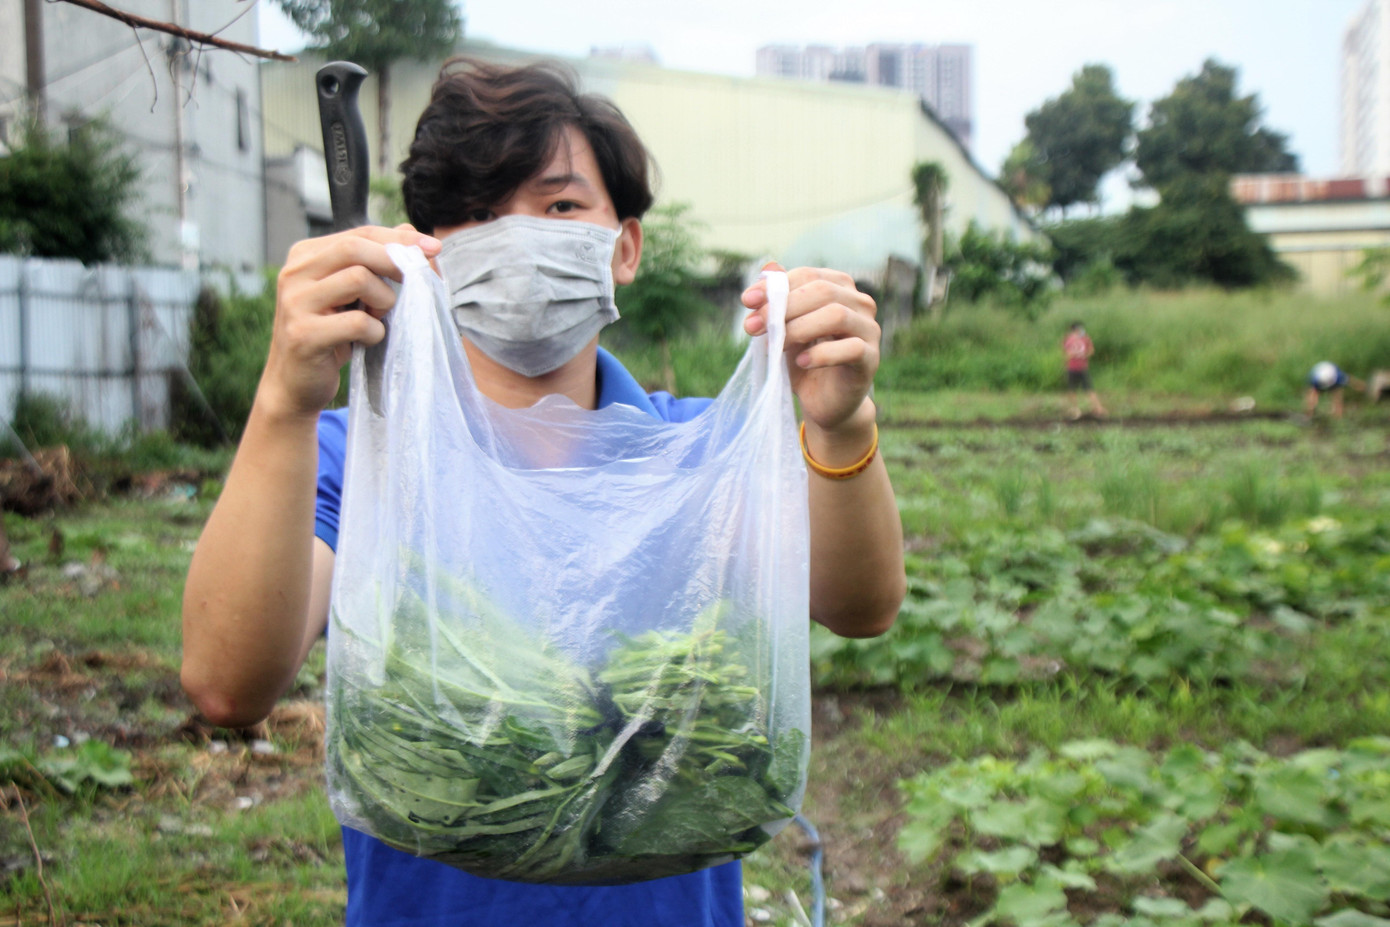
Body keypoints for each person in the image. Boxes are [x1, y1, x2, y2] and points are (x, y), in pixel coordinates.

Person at [180, 58, 906, 927]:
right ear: (424, 257)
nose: (520, 237)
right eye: (481, 214)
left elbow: (859, 605)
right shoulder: (361, 458)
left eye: (561, 207)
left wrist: (840, 426)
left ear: (624, 246)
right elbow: (226, 685)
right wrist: (284, 402)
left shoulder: (692, 455)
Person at [1063, 320, 1106, 420]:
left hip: (1077, 367)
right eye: (1080, 328)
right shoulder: (1076, 339)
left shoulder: (1079, 339)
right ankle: (1081, 409)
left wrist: (1079, 355)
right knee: (1080, 389)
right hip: (1077, 367)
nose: (1082, 330)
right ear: (1076, 329)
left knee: (1080, 389)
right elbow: (1069, 354)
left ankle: (1094, 408)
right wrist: (1081, 355)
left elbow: (1068, 354)